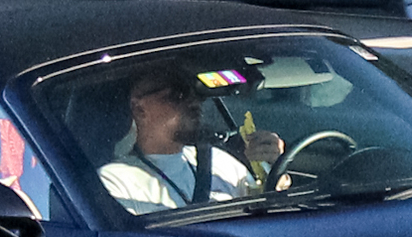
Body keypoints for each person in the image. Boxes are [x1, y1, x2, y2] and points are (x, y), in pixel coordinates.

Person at [98, 65, 280, 214]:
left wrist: (273, 170)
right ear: (139, 109)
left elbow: (266, 214)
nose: (194, 102)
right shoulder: (116, 181)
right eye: (178, 95)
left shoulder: (221, 162)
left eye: (198, 94)